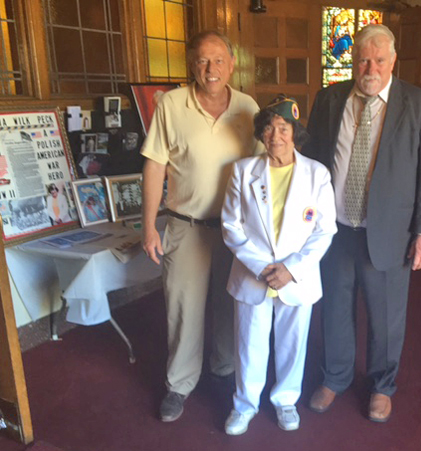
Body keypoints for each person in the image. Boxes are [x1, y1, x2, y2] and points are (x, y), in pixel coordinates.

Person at [302, 24, 421, 423]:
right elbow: (312, 162)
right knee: (335, 308)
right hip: (335, 229)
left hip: (389, 234)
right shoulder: (329, 99)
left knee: (385, 316)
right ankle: (336, 376)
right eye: (363, 59)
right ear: (352, 61)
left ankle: (383, 385)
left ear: (392, 61)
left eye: (379, 60)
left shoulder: (419, 104)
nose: (370, 67)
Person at [140, 30, 264, 422]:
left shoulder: (247, 106)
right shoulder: (172, 104)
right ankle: (179, 384)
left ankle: (224, 370)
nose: (210, 70)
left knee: (232, 304)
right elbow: (154, 164)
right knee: (183, 308)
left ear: (232, 64)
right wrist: (148, 226)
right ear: (192, 65)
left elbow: (264, 168)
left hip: (234, 230)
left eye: (218, 61)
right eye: (202, 61)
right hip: (185, 226)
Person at [221, 96, 337, 435]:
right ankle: (244, 405)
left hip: (296, 278)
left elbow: (324, 229)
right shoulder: (243, 172)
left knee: (292, 342)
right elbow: (231, 226)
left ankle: (286, 400)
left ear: (294, 132)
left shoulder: (316, 174)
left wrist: (291, 268)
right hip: (252, 275)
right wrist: (260, 266)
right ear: (261, 133)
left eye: (283, 128)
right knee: (248, 343)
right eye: (269, 128)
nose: (276, 136)